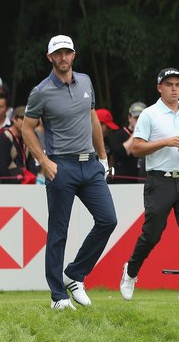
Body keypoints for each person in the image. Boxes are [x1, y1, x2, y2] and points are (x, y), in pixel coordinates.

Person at [22, 34, 117, 311]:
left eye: (67, 53)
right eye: (58, 54)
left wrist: (102, 158)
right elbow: (27, 128)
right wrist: (43, 160)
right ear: (50, 57)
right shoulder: (41, 91)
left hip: (90, 165)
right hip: (60, 166)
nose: (63, 58)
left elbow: (93, 119)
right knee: (58, 232)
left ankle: (74, 275)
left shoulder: (86, 81)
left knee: (108, 220)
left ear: (73, 55)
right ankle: (58, 296)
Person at [119, 68, 179, 302]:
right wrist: (166, 142)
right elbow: (136, 148)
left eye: (178, 84)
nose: (174, 88)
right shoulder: (149, 114)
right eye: (169, 84)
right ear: (159, 87)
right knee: (152, 234)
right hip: (159, 180)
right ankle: (131, 271)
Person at [0, 106, 35, 184]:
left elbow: (31, 163)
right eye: (23, 119)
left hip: (24, 183)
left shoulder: (28, 137)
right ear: (14, 119)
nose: (27, 123)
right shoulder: (4, 138)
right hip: (6, 186)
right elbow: (1, 168)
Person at [109, 102, 147, 183]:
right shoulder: (119, 135)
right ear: (130, 118)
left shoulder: (150, 135)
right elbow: (120, 153)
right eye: (137, 118)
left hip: (143, 181)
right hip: (123, 183)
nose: (139, 121)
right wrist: (136, 132)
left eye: (142, 118)